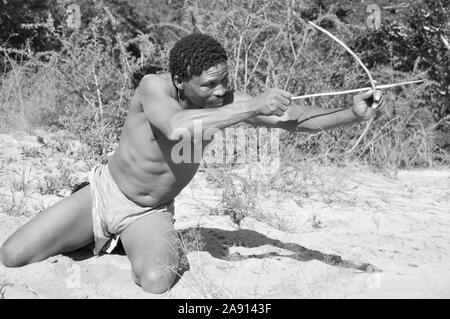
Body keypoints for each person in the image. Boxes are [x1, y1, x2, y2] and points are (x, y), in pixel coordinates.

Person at [0, 33, 384, 294]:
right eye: (209, 84)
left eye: (225, 81)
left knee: (155, 281)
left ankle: (129, 241)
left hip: (148, 212)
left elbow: (296, 120)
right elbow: (176, 126)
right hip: (105, 193)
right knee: (13, 256)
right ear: (181, 80)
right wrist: (250, 106)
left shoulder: (224, 99)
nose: (220, 91)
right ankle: (95, 230)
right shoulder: (154, 87)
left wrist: (351, 114)